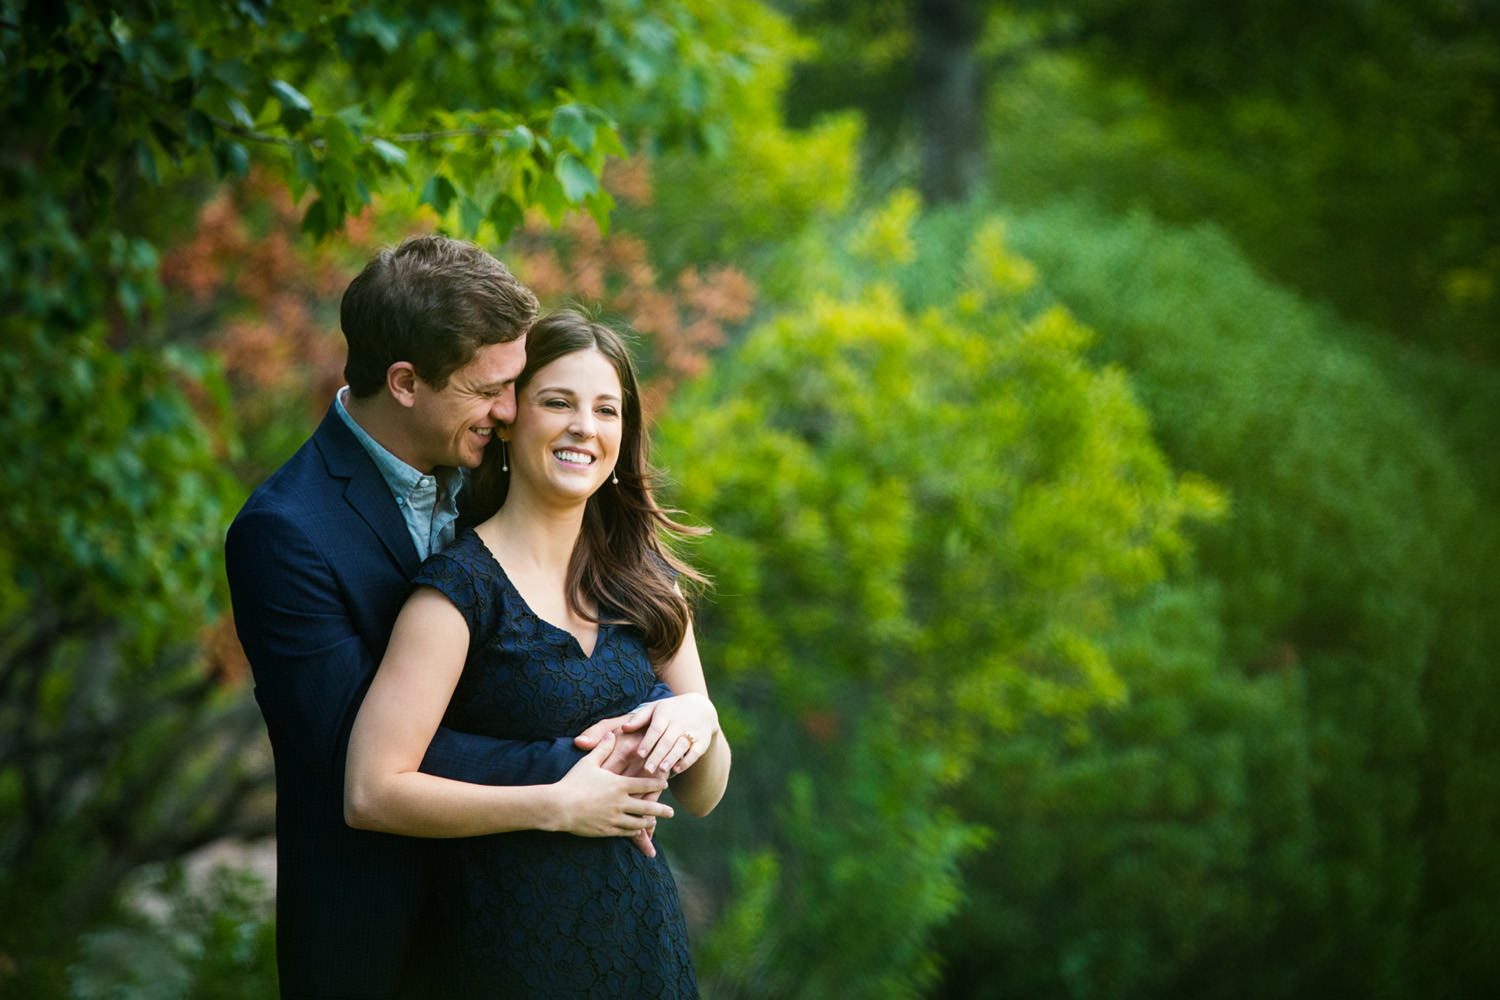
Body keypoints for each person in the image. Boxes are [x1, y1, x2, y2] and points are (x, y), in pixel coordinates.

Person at [225, 237, 675, 1000]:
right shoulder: (286, 533)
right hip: (388, 937)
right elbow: (356, 754)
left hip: (529, 916)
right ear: (405, 382)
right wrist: (590, 764)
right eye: (488, 389)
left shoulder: (489, 478)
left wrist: (678, 711)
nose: (508, 412)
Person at [344, 310, 731, 998]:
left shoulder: (645, 581)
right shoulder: (457, 592)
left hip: (643, 951)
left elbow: (703, 793)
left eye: (606, 409)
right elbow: (373, 792)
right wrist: (552, 804)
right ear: (512, 419)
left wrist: (700, 718)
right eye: (558, 402)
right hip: (509, 952)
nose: (585, 425)